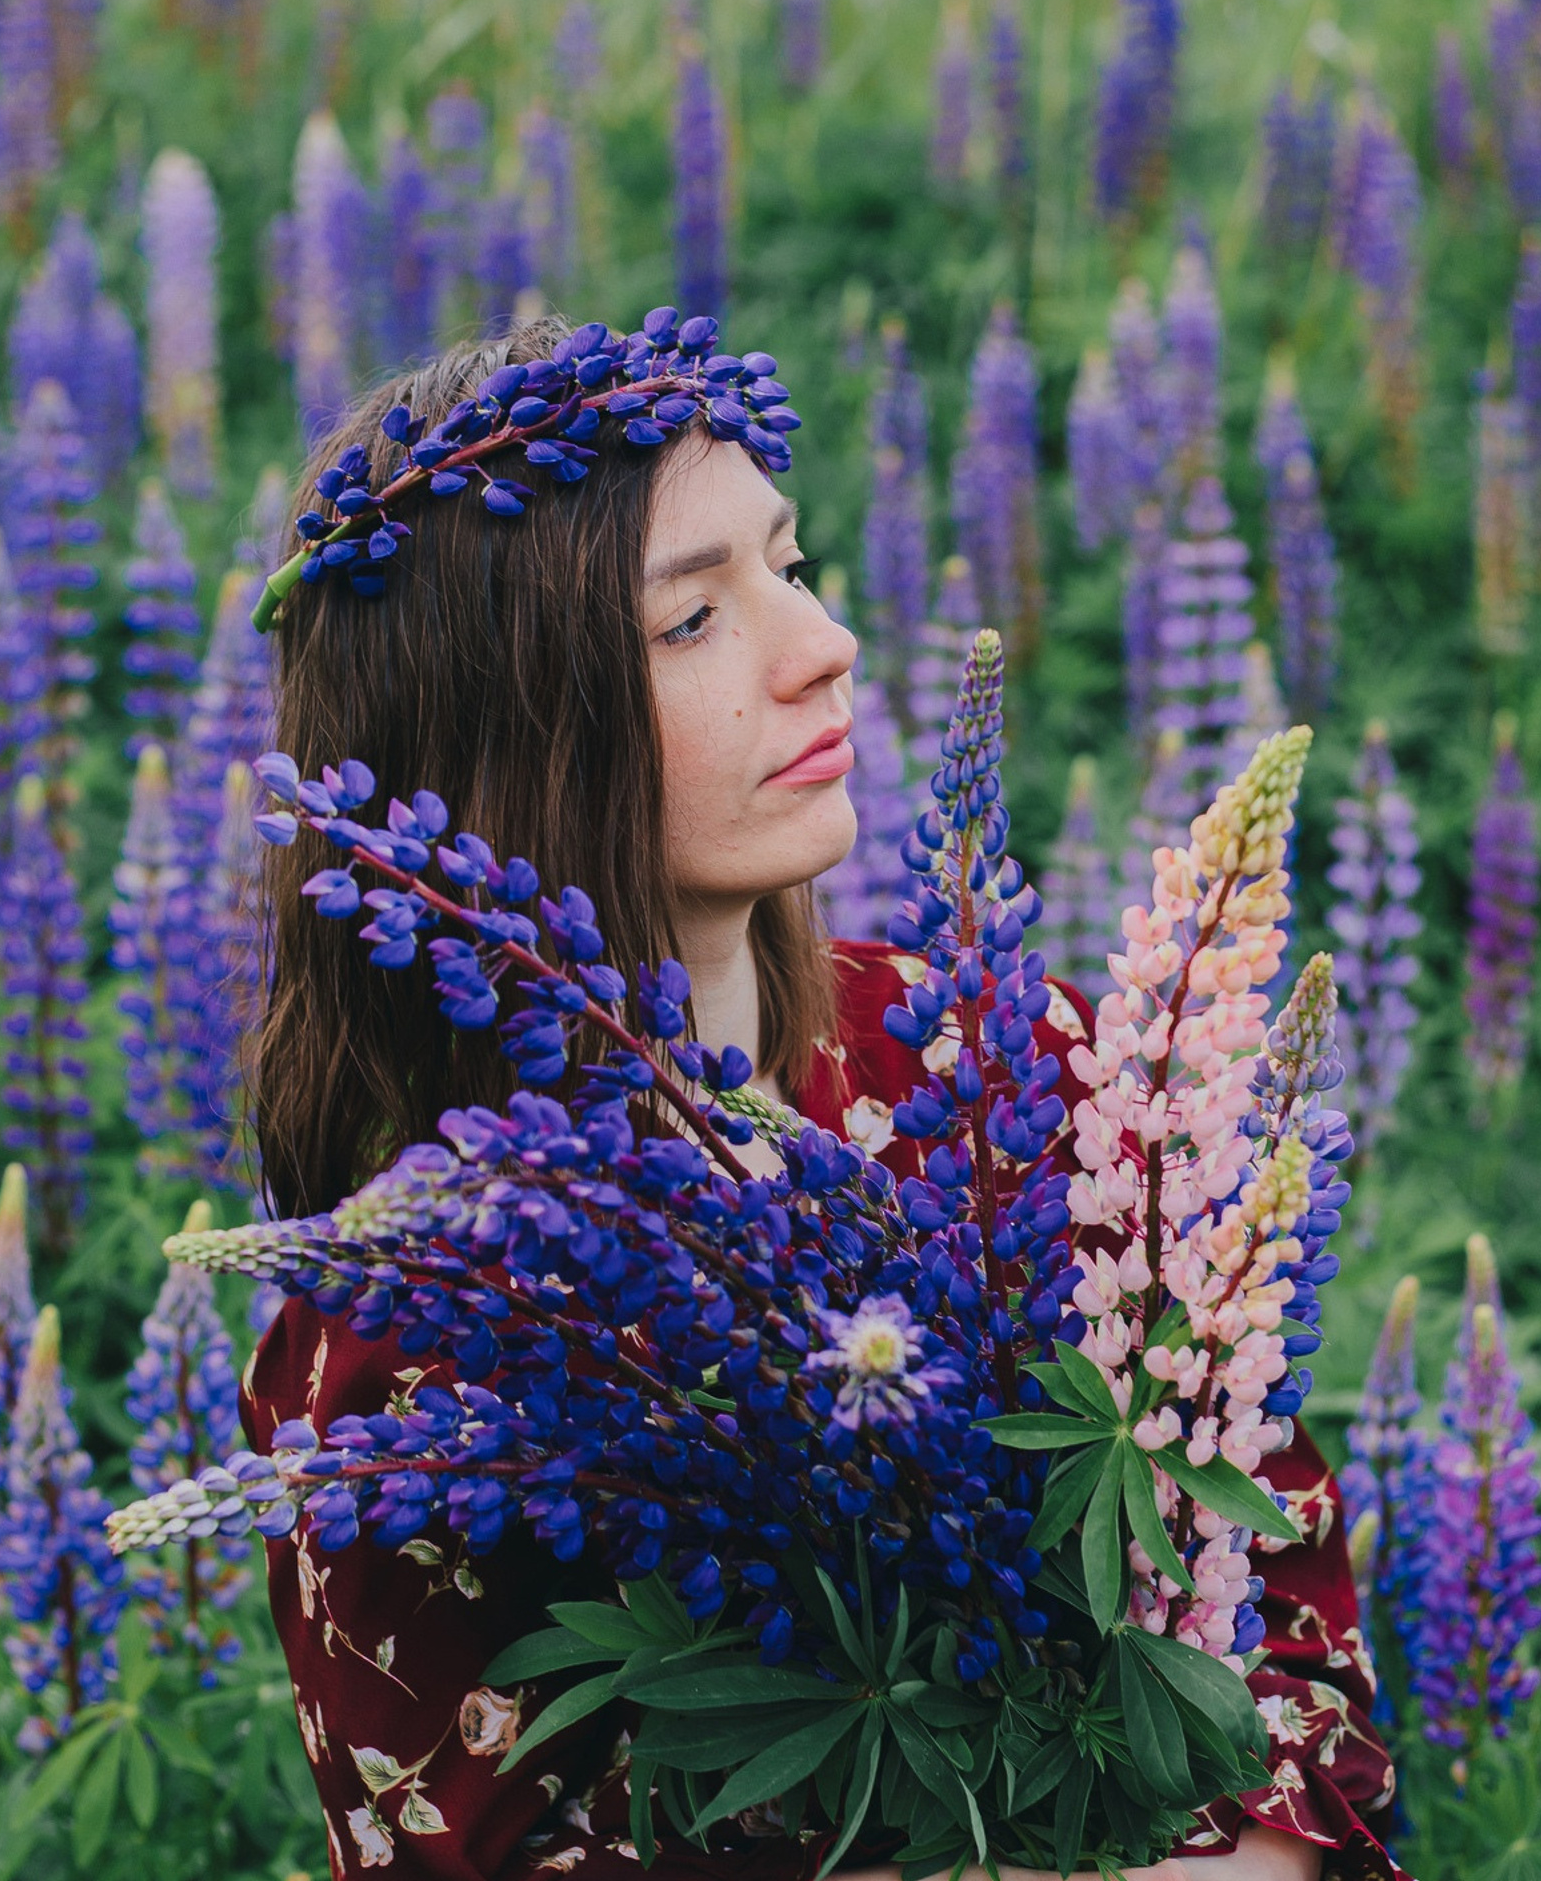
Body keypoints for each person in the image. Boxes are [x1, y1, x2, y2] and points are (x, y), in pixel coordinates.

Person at [241, 314, 1405, 1881]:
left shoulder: (1013, 1064)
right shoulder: (416, 1326)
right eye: (696, 620)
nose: (824, 644)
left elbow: (1276, 1593)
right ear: (511, 731)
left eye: (791, 564)